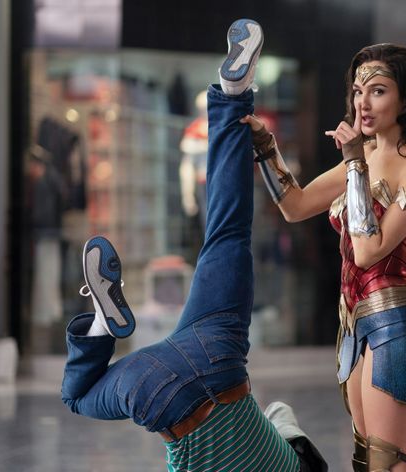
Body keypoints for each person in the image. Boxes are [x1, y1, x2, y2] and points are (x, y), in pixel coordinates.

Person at [61, 19, 327, 472]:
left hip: (220, 353)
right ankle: (102, 326)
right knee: (77, 397)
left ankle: (233, 95)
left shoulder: (293, 463)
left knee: (228, 231)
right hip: (161, 396)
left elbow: (282, 413)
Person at [241, 43, 406, 471]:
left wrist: (356, 163)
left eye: (378, 90)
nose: (363, 102)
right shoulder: (362, 159)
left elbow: (368, 250)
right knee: (366, 460)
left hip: (395, 321)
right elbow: (295, 205)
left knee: (389, 463)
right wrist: (265, 146)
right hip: (354, 324)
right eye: (358, 91)